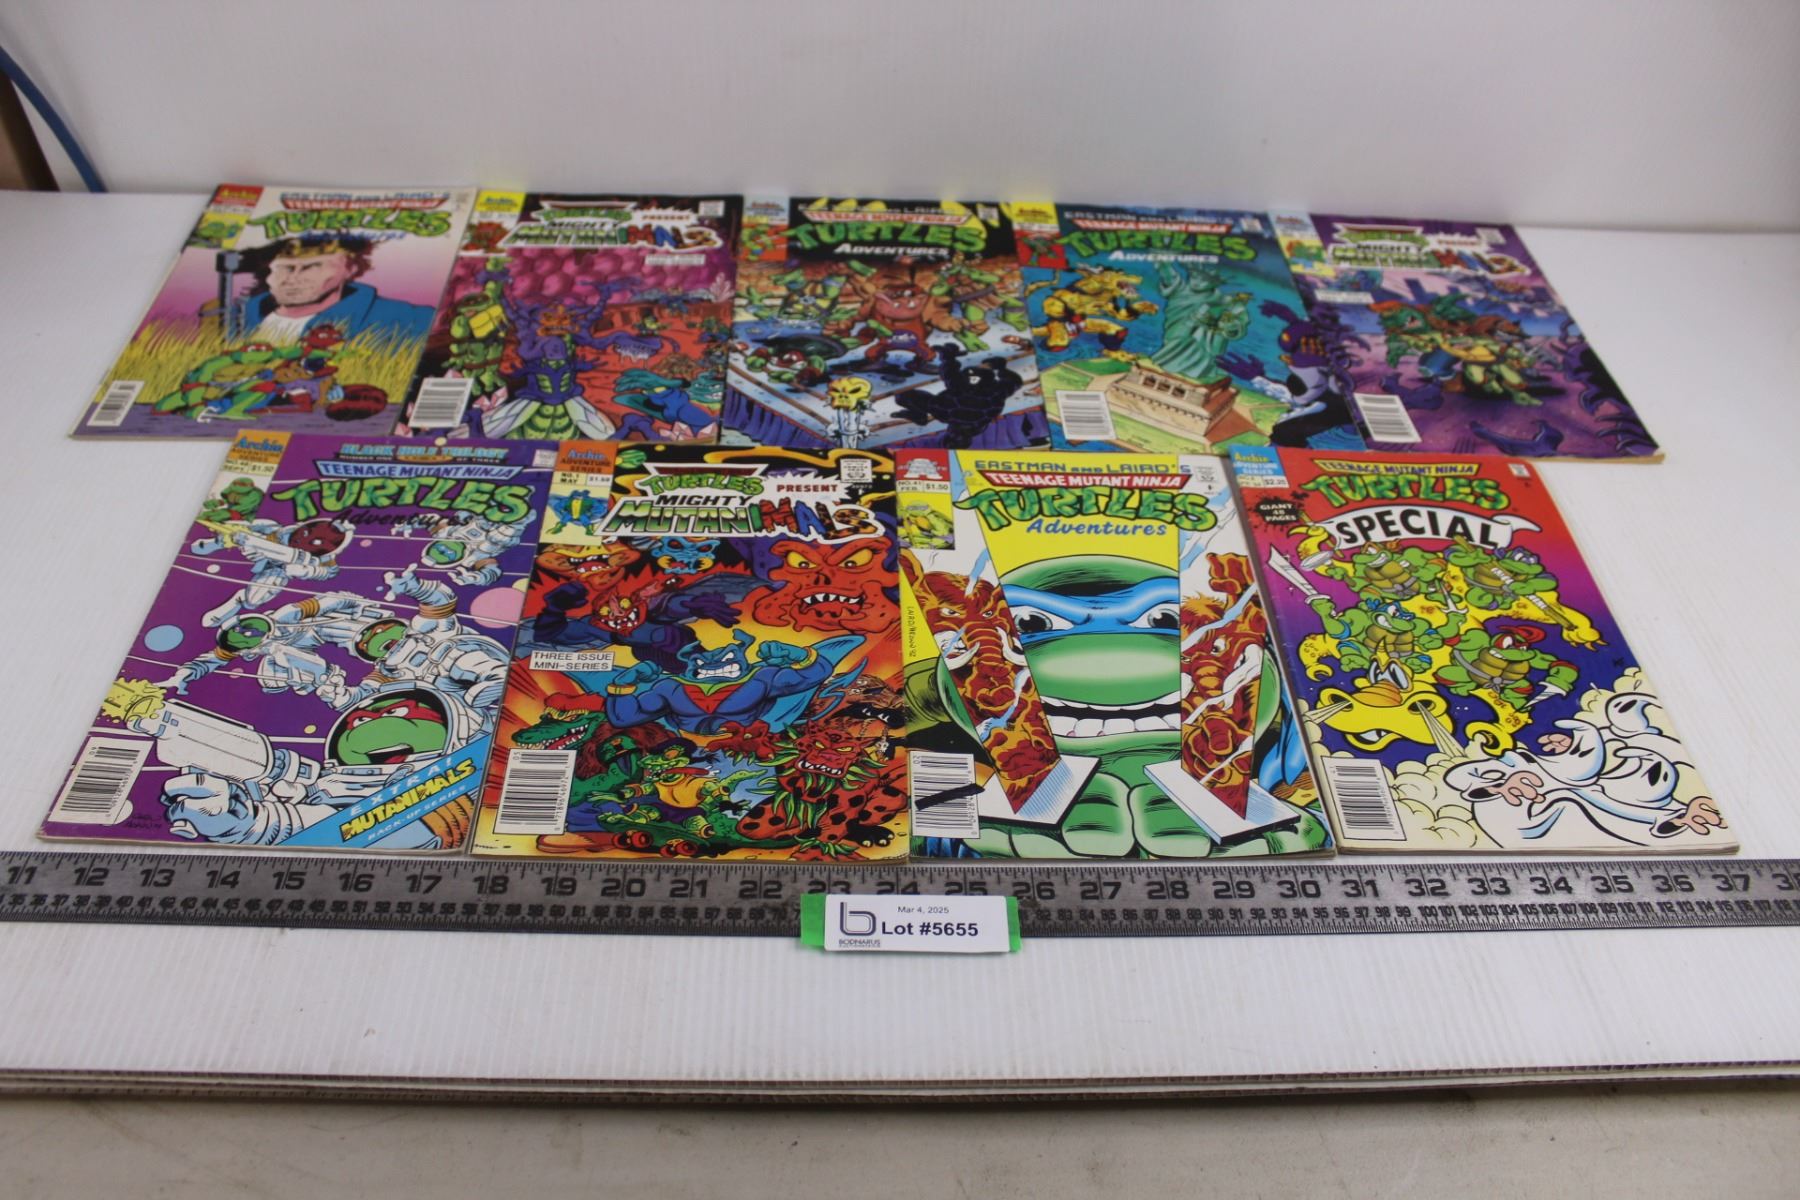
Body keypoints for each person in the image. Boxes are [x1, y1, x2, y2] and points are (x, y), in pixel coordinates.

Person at [233, 234, 433, 344]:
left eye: (313, 266)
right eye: (285, 267)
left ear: (350, 268)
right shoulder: (232, 318)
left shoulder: (409, 320)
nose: (293, 279)